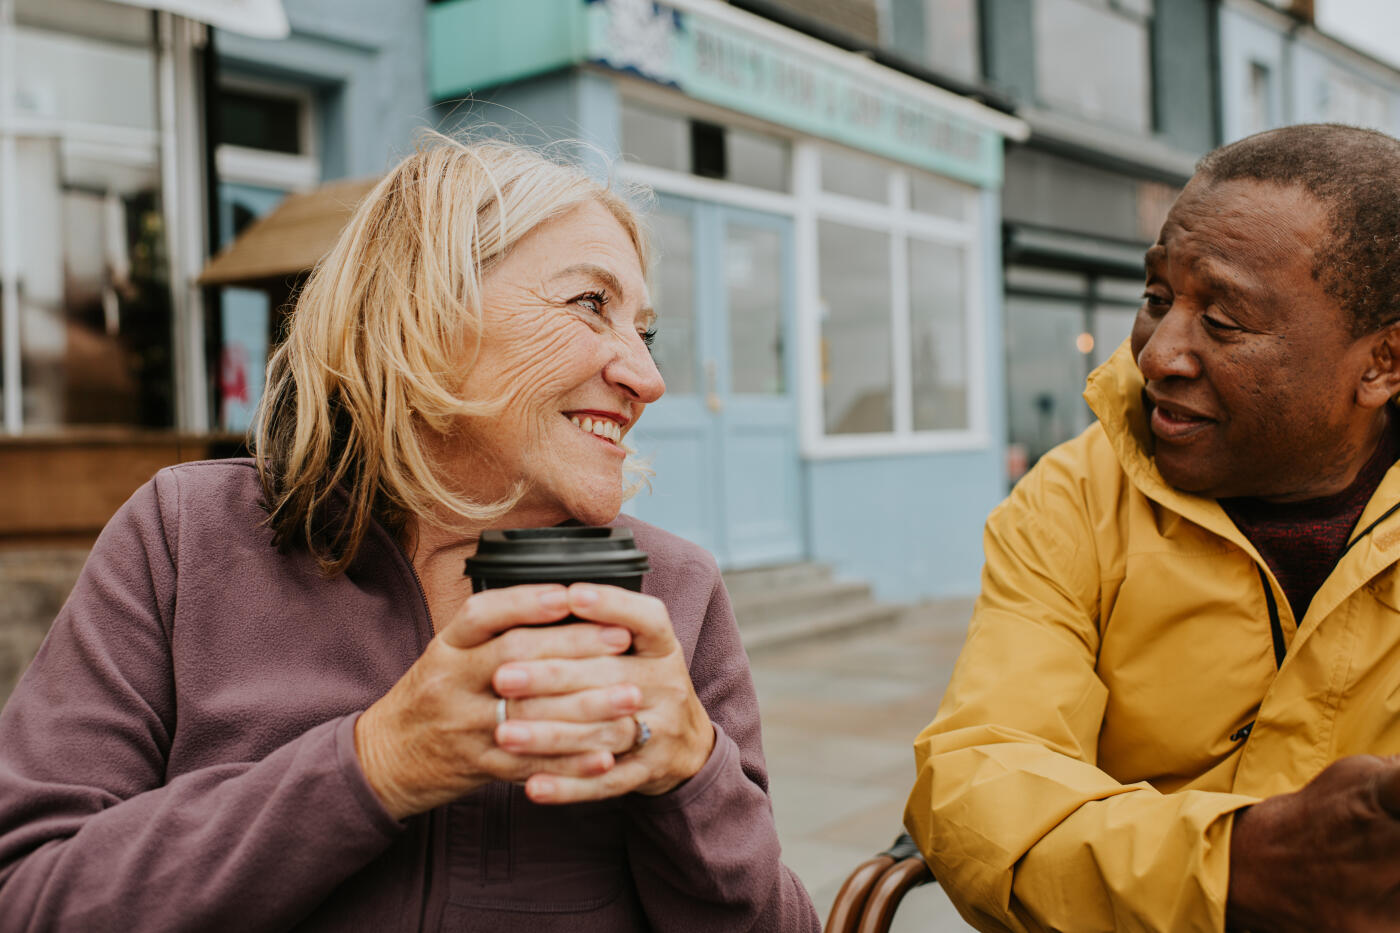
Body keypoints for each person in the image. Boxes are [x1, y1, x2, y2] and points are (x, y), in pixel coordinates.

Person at [0, 135, 819, 932]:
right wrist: (379, 761)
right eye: (589, 304)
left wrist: (691, 774)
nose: (648, 378)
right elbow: (28, 894)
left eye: (642, 332)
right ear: (421, 313)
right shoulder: (184, 537)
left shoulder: (674, 590)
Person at [905, 123, 1400, 933]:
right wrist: (1235, 865)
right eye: (1157, 299)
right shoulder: (1072, 496)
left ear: (1382, 363)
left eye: (1224, 320)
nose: (1158, 352)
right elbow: (978, 787)